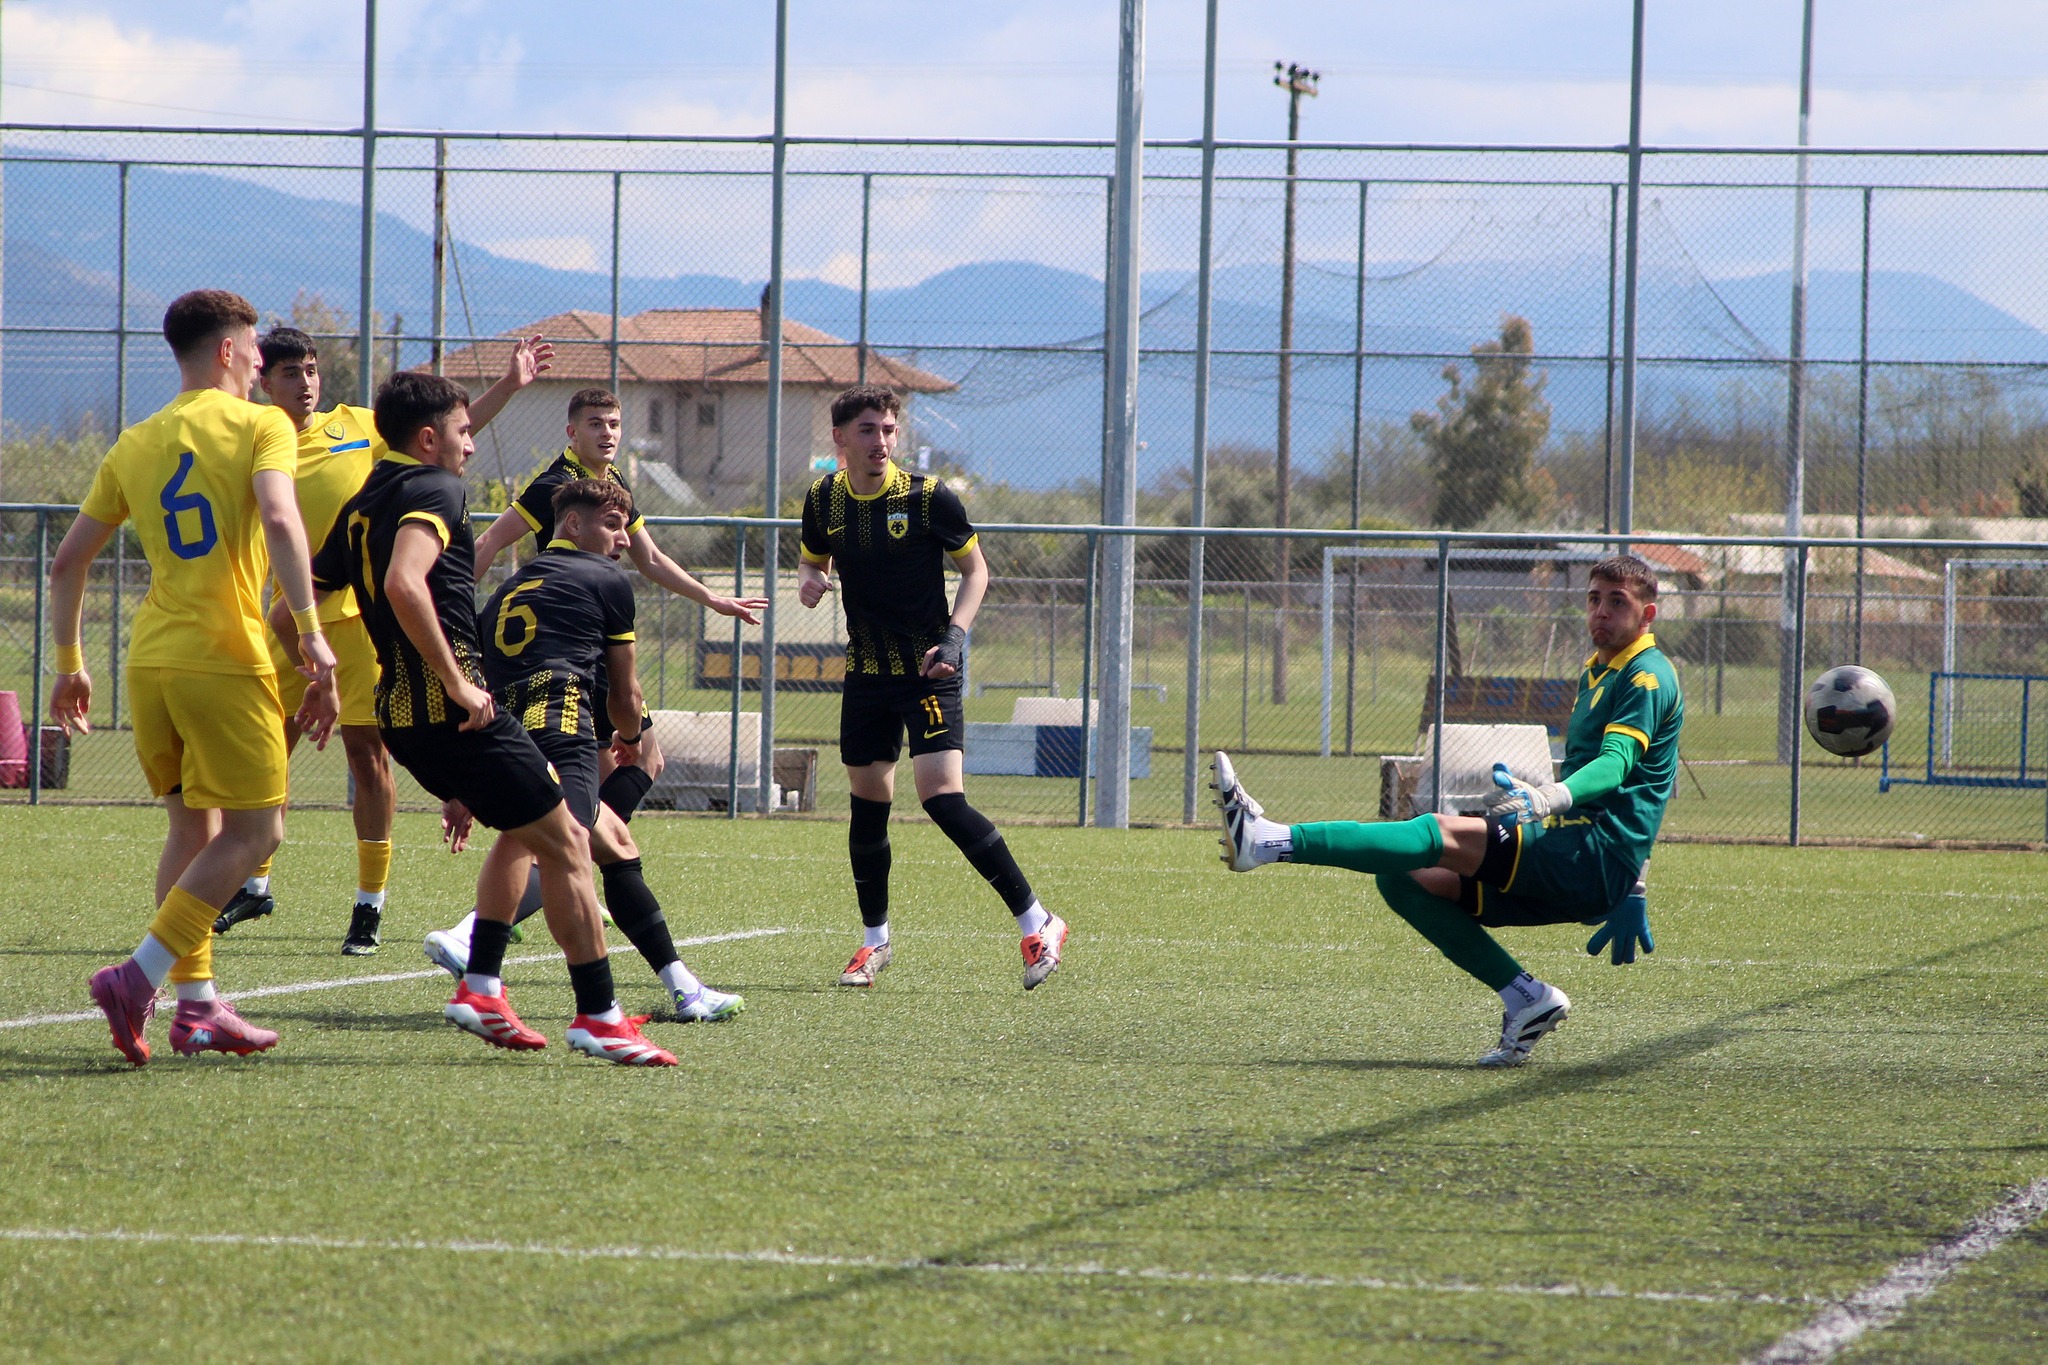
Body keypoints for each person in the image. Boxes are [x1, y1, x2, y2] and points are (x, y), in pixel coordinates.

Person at [300, 370, 672, 1066]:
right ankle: (598, 1016)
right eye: (464, 431)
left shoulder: (362, 502)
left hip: (400, 717)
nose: (471, 445)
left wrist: (318, 669)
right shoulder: (436, 489)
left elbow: (297, 599)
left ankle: (482, 987)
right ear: (429, 438)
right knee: (568, 841)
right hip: (458, 712)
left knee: (537, 832)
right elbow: (404, 582)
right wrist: (458, 683)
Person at [1211, 554, 1678, 1067]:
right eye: (1594, 599)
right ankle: (1528, 999)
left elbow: (1616, 764)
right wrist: (1630, 882)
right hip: (1581, 856)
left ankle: (1268, 841)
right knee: (1405, 877)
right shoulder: (1600, 669)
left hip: (1589, 856)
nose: (1601, 611)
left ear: (1647, 615)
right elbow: (1644, 787)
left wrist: (1552, 799)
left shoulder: (1646, 676)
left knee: (1437, 831)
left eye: (1617, 602)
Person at [48, 289, 338, 1065]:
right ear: (227, 351)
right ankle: (138, 977)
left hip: (151, 659)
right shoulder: (261, 424)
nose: (261, 361)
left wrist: (71, 664)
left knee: (193, 828)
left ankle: (198, 1004)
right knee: (258, 830)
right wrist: (312, 633)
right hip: (224, 657)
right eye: (254, 348)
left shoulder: (136, 440)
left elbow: (67, 562)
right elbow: (281, 518)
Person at [211, 325, 556, 955]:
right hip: (299, 617)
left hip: (362, 619)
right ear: (263, 381)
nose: (306, 382)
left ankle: (368, 907)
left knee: (367, 757)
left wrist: (509, 385)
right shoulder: (251, 438)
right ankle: (255, 882)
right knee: (265, 757)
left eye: (312, 369)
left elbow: (440, 433)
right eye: (291, 372)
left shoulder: (355, 425)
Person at [418, 478, 745, 1024]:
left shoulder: (508, 588)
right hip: (562, 733)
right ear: (573, 524)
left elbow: (476, 680)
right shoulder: (606, 579)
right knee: (543, 839)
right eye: (613, 525)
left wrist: (462, 786)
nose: (625, 539)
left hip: (507, 738)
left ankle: (685, 989)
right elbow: (626, 694)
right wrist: (631, 738)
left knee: (614, 844)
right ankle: (481, 967)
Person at [796, 384, 1069, 991]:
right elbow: (813, 561)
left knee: (942, 797)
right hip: (867, 672)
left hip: (928, 670)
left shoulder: (926, 497)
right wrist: (809, 580)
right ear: (840, 438)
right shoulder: (822, 498)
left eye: (889, 429)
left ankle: (1039, 922)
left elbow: (976, 570)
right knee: (868, 806)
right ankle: (875, 942)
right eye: (867, 430)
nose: (881, 440)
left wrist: (955, 639)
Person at [472, 386, 765, 823]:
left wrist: (711, 598)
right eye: (595, 424)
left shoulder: (612, 482)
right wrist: (448, 611)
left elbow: (650, 559)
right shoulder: (556, 484)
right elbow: (489, 541)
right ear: (572, 433)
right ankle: (572, 850)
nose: (607, 432)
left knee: (619, 767)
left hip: (587, 637)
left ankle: (569, 850)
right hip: (574, 641)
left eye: (613, 424)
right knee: (638, 760)